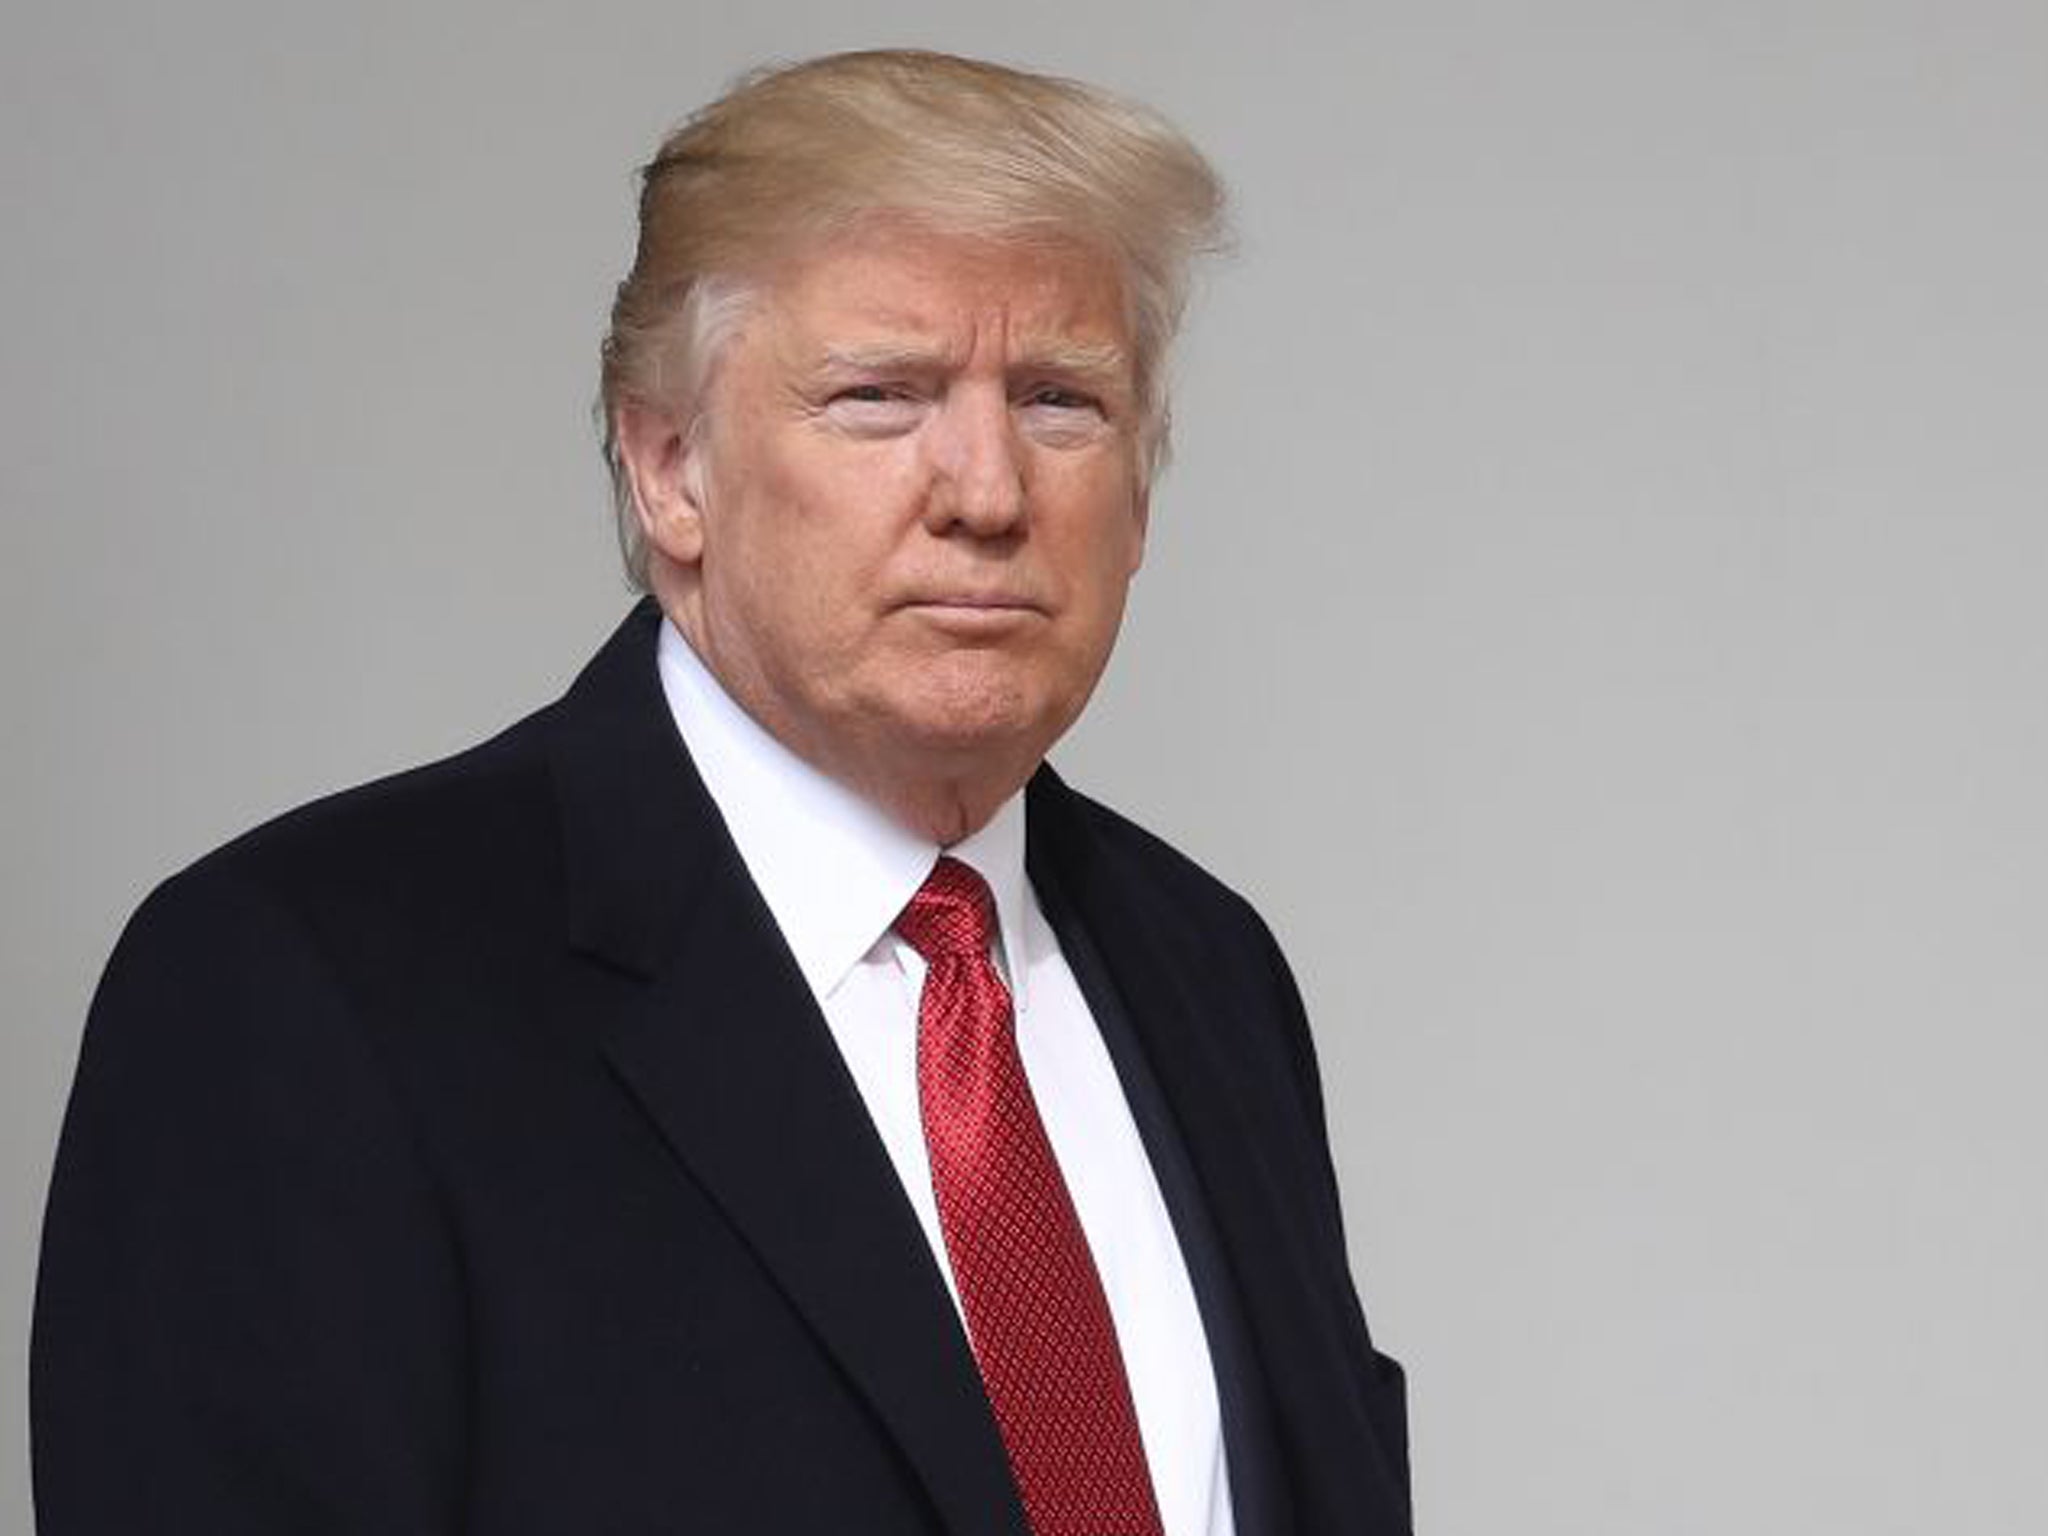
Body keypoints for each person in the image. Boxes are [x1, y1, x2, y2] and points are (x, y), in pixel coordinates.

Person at [31, 49, 1411, 1536]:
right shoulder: (301, 992)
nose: (990, 491)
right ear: (669, 465)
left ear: (1141, 493)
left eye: (1063, 401)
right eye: (881, 396)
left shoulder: (1209, 973)